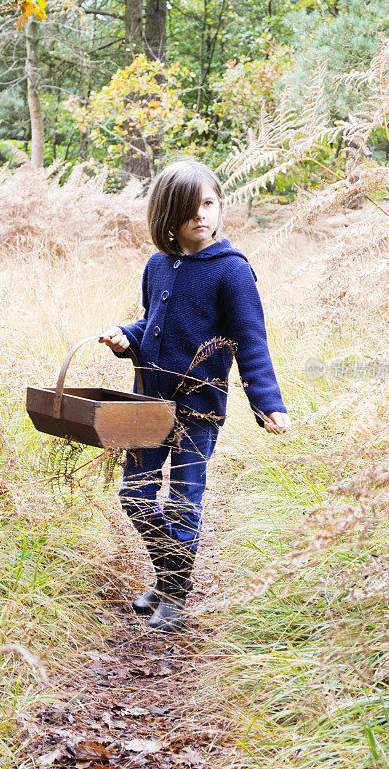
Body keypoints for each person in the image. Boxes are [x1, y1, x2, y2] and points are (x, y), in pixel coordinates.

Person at [100, 158, 291, 633]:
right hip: (147, 405)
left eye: (209, 204)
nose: (201, 215)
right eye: (190, 208)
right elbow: (153, 325)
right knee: (135, 494)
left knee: (185, 499)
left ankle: (176, 591)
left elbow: (251, 340)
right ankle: (169, 576)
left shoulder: (231, 271)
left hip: (197, 410)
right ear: (168, 215)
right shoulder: (157, 266)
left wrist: (267, 402)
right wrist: (127, 336)